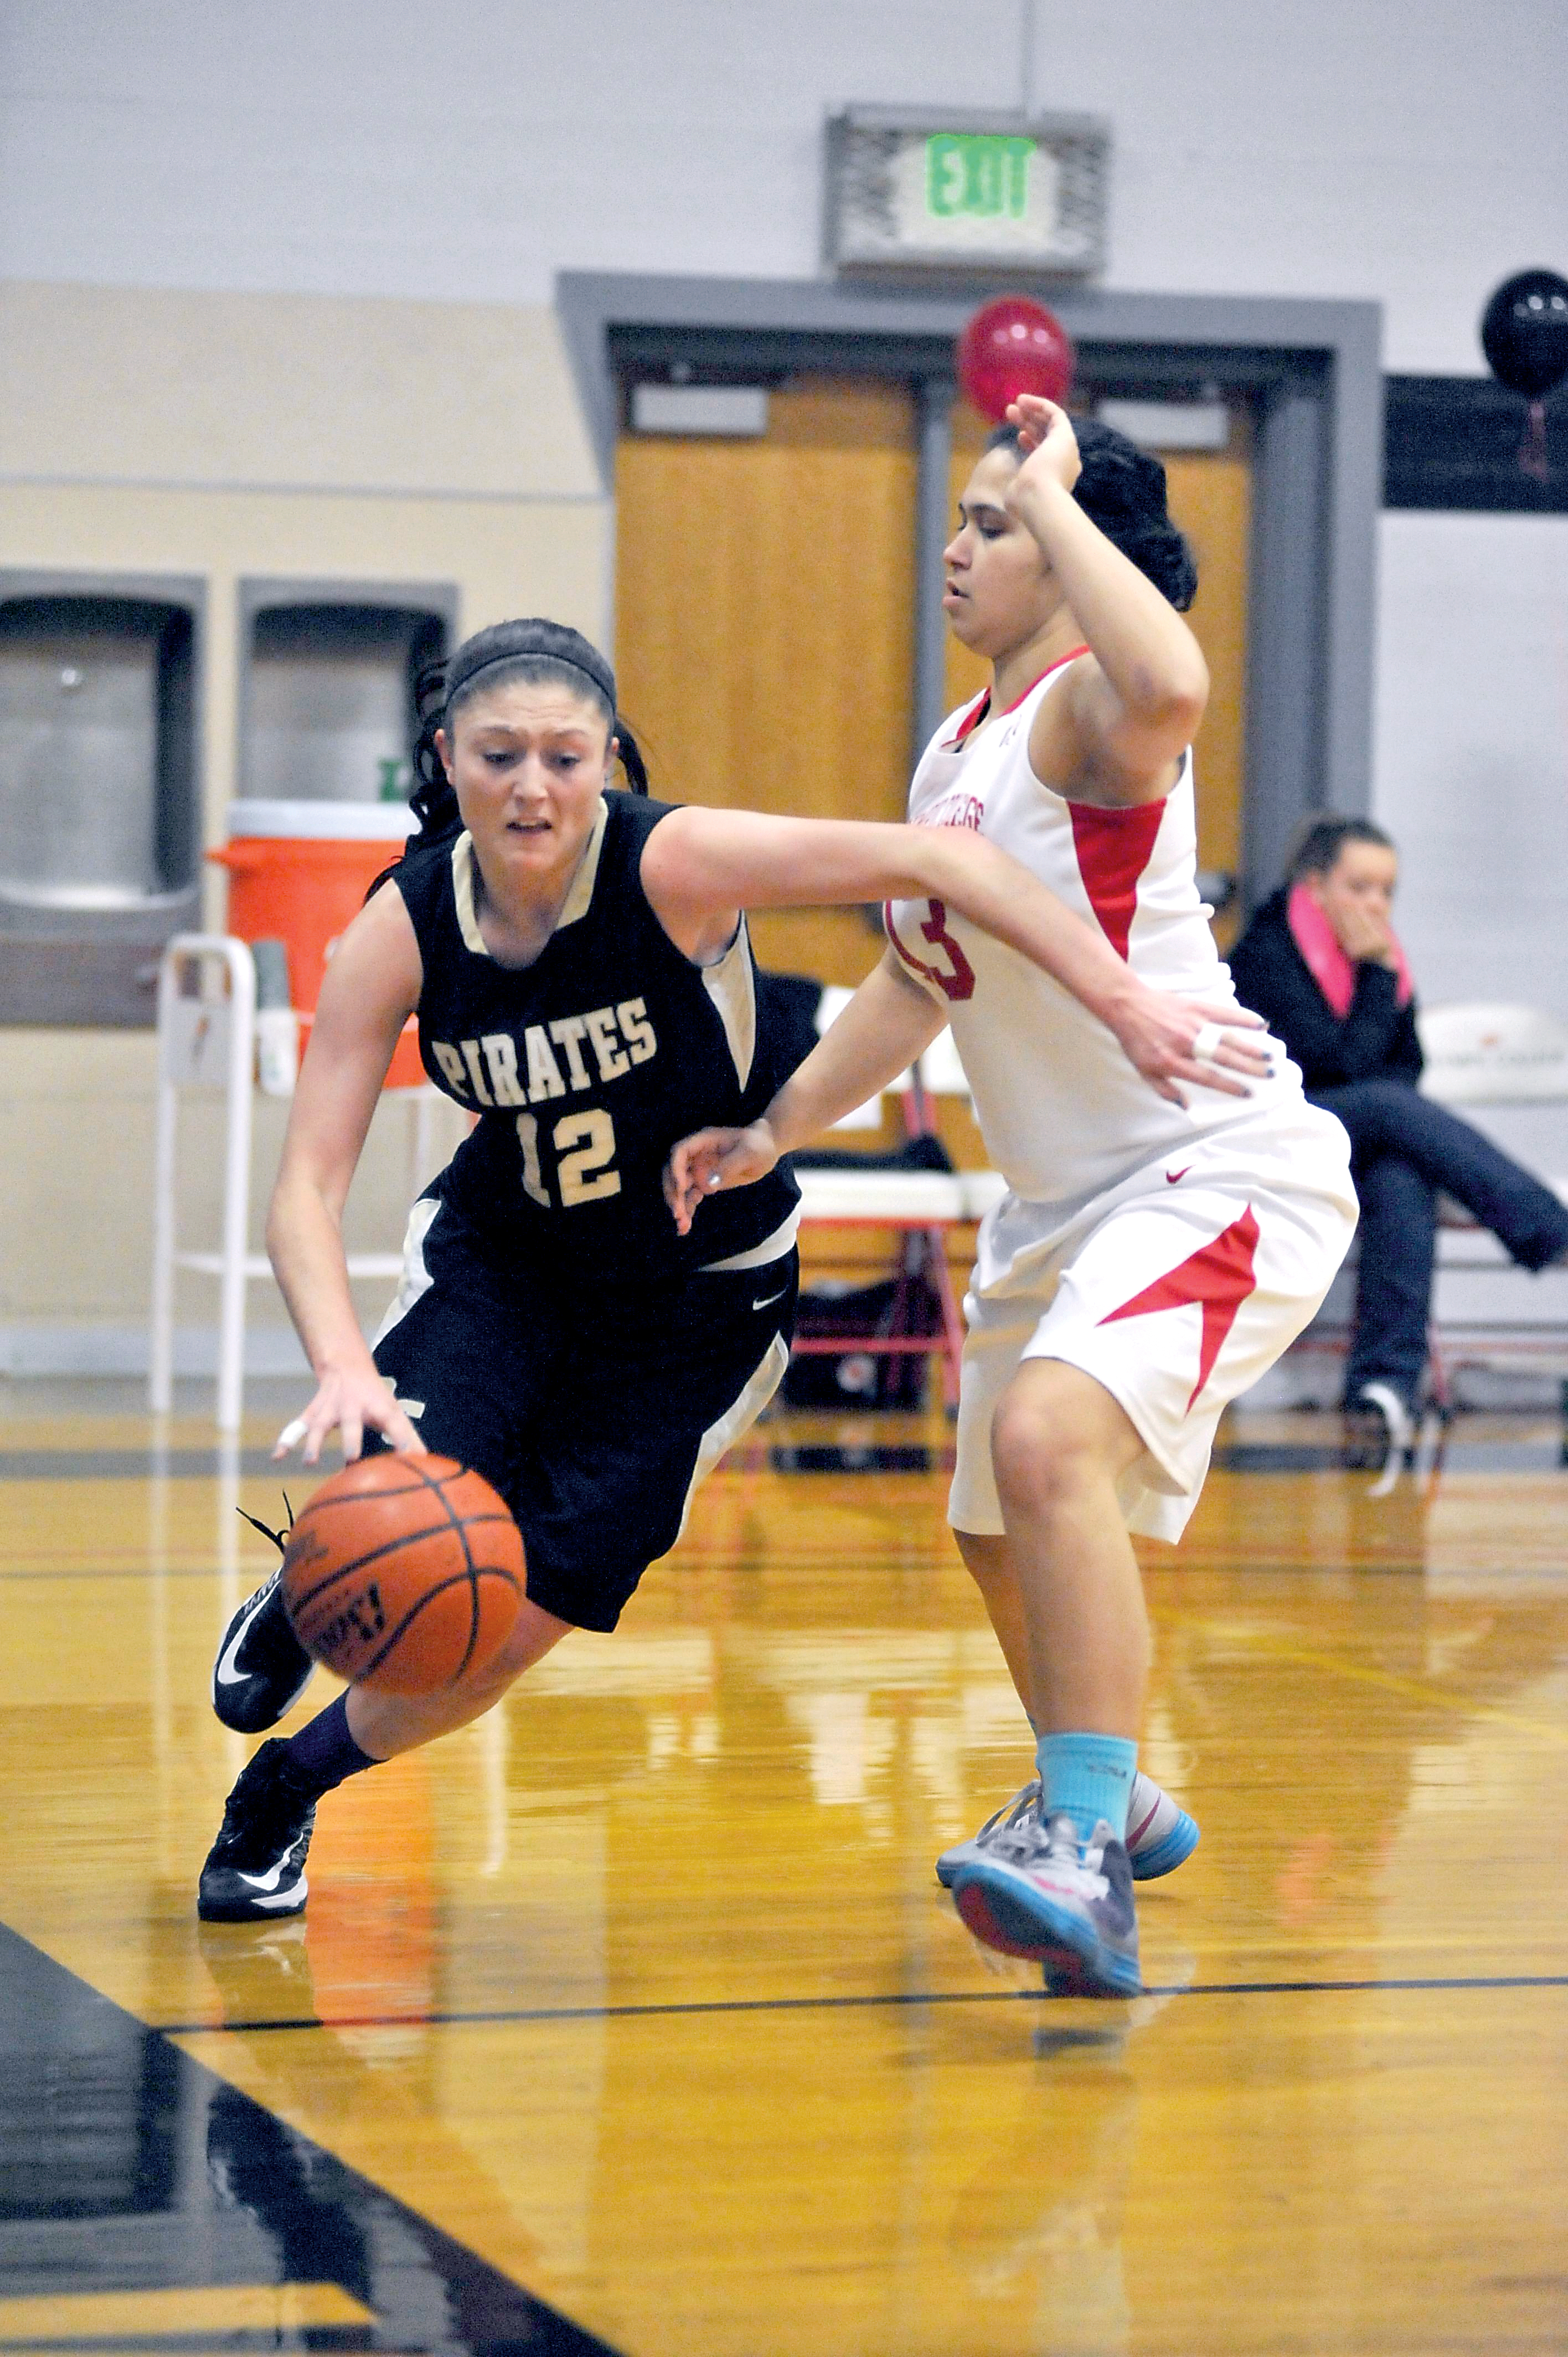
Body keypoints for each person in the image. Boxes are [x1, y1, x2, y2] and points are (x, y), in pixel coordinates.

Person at [198, 614, 1265, 1924]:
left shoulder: (675, 863)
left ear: (606, 761)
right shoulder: (404, 926)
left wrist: (1122, 996)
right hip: (510, 1262)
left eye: (563, 757)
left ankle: (283, 1789)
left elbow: (946, 857)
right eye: (498, 756)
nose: (532, 787)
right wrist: (341, 1364)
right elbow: (305, 1186)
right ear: (447, 759)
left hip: (693, 1307)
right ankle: (311, 1587)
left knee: (507, 1615)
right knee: (407, 1495)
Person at [666, 402, 1359, 1996]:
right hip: (1061, 1207)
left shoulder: (1091, 713)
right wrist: (776, 1129)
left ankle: (1085, 1842)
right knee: (991, 1524)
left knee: (1048, 1443)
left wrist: (1055, 490)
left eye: (996, 522)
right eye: (971, 518)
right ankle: (1120, 1793)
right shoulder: (959, 754)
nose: (960, 545)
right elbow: (918, 986)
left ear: (1070, 546)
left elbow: (1177, 684)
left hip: (1213, 1166)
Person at [1228, 815, 1568, 1455]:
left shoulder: (1377, 961)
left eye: (1387, 890)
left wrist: (1379, 978)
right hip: (1274, 1135)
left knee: (1401, 1177)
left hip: (1355, 1136)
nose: (1377, 905)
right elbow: (1337, 1067)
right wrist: (1379, 977)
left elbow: (1407, 1063)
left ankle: (1383, 1386)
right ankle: (1552, 1231)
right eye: (1360, 887)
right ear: (1314, 887)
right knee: (1388, 1109)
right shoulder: (1266, 954)